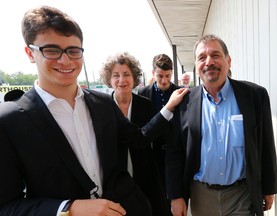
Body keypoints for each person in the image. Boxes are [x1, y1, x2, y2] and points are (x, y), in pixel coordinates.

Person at [0, 6, 188, 216]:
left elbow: (140, 138)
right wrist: (68, 209)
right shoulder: (9, 121)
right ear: (30, 53)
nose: (65, 60)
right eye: (51, 50)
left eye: (73, 51)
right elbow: (7, 206)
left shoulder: (102, 104)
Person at [166, 34, 277, 216]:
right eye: (202, 57)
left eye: (216, 55)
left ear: (228, 60)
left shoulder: (254, 96)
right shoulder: (184, 102)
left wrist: (269, 187)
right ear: (196, 65)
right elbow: (175, 152)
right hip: (201, 196)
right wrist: (175, 196)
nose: (209, 62)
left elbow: (265, 143)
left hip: (241, 194)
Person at [100, 51, 181, 216]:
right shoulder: (101, 107)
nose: (121, 80)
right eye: (116, 75)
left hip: (146, 175)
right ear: (109, 78)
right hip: (114, 180)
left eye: (126, 74)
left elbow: (149, 136)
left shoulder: (145, 105)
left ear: (134, 77)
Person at [138, 53, 180, 214]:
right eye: (160, 76)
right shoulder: (143, 94)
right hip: (152, 154)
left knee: (176, 197)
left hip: (175, 153)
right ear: (153, 73)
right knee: (156, 196)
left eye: (168, 76)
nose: (164, 80)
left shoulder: (181, 92)